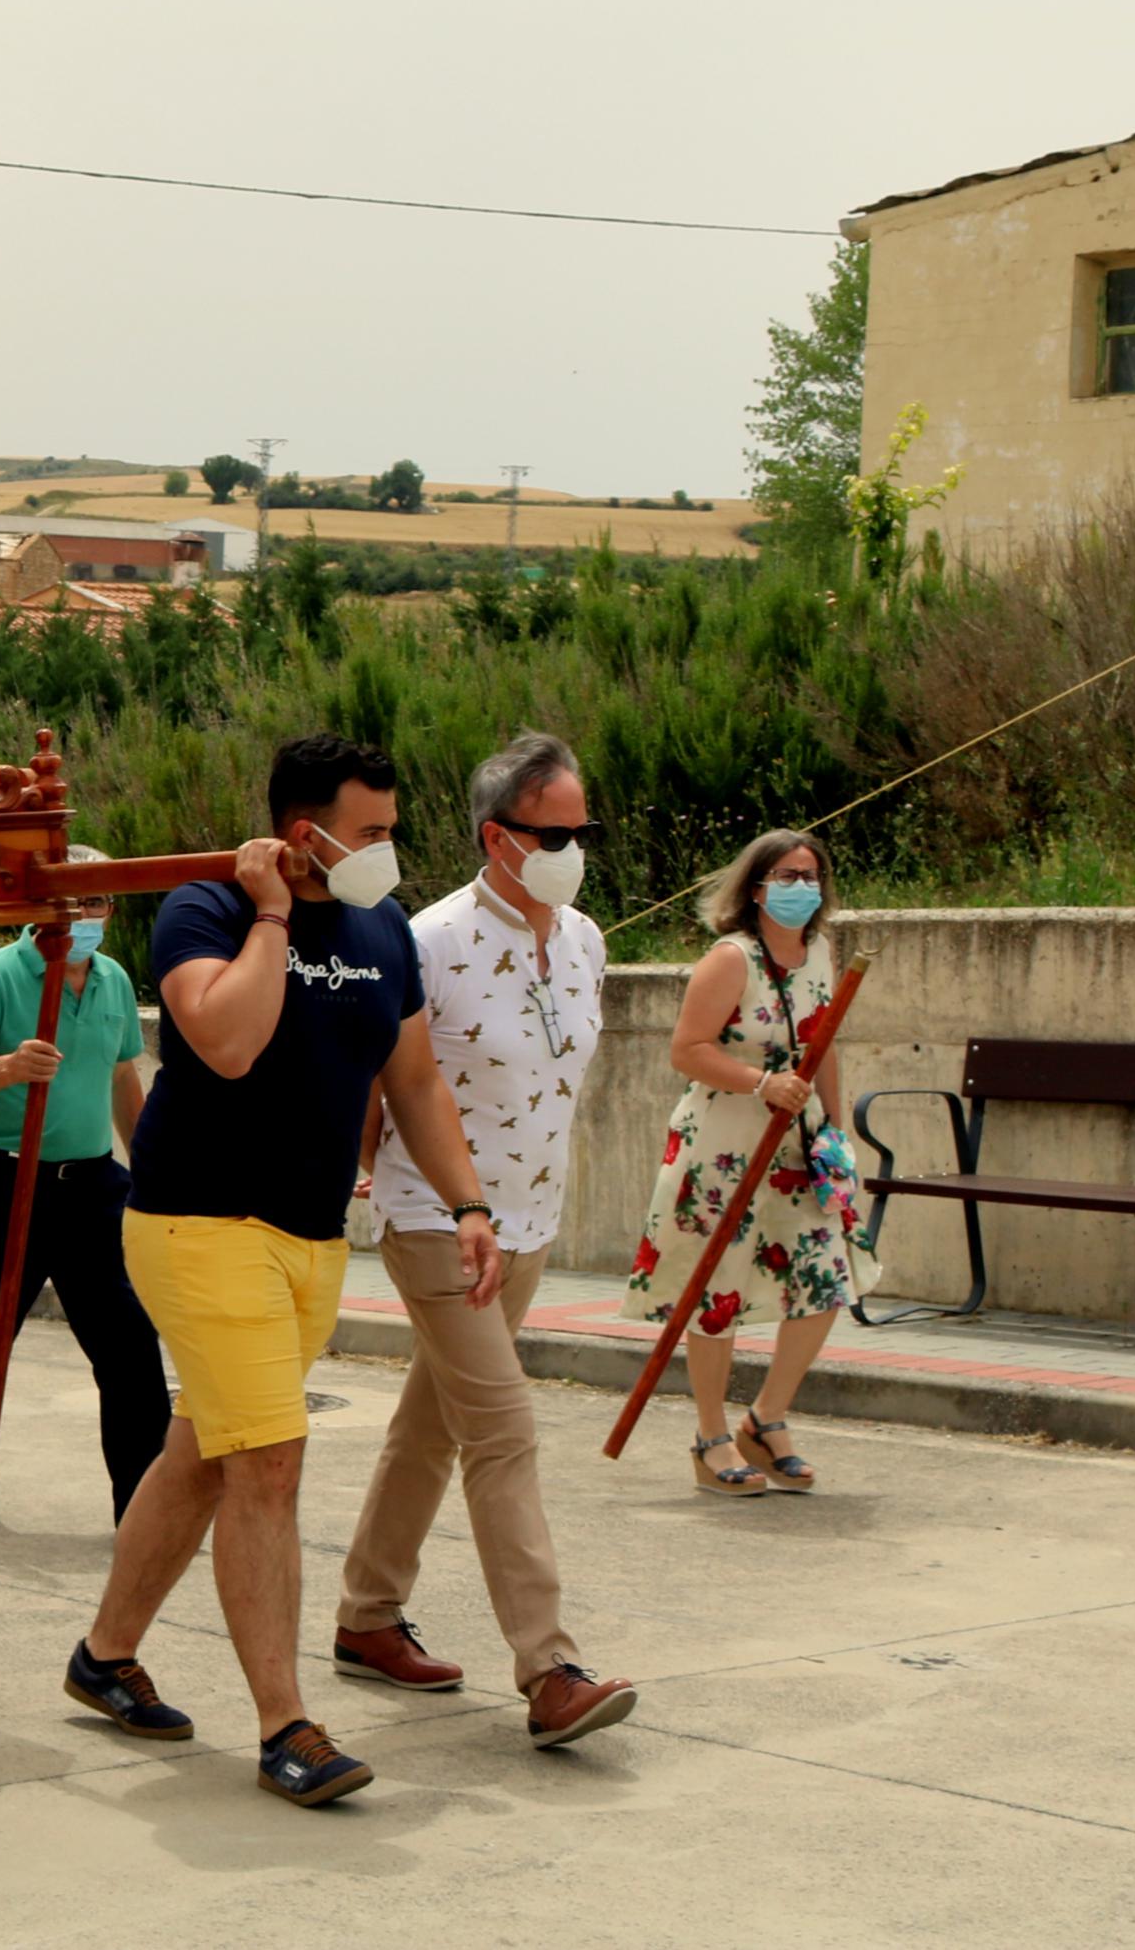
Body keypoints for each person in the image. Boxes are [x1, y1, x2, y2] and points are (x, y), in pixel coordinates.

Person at [69, 735, 502, 1810]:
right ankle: (284, 1724)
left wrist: (468, 1202)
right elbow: (219, 1039)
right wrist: (269, 914)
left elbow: (413, 1083)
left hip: (309, 1237)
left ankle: (103, 1654)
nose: (385, 853)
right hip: (196, 1222)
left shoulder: (383, 927)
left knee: (206, 1452)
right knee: (267, 1459)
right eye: (367, 833)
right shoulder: (202, 907)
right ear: (301, 827)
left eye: (391, 831)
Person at [333, 733, 638, 1748]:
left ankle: (365, 1612)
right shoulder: (428, 940)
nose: (571, 847)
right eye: (552, 832)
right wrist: (355, 1178)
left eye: (580, 830)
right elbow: (384, 1075)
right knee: (501, 1428)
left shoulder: (587, 938)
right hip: (434, 1218)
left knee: (431, 1422)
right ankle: (547, 1665)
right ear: (494, 837)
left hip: (530, 1223)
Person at [626, 828, 876, 1497]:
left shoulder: (821, 951)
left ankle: (764, 1419)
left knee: (827, 1276)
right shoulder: (729, 958)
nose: (801, 886)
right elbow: (687, 1048)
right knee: (718, 1289)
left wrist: (836, 1127)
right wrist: (759, 1082)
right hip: (725, 1143)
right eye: (787, 875)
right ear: (756, 886)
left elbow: (824, 1041)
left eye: (811, 875)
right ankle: (709, 1435)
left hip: (800, 1146)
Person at [0, 850, 160, 1526]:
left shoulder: (112, 979)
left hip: (91, 1184)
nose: (88, 917)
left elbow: (121, 1075)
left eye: (99, 904)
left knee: (128, 1341)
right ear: (44, 907)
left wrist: (144, 1163)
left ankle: (145, 1498)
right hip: (8, 1174)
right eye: (76, 903)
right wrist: (8, 1066)